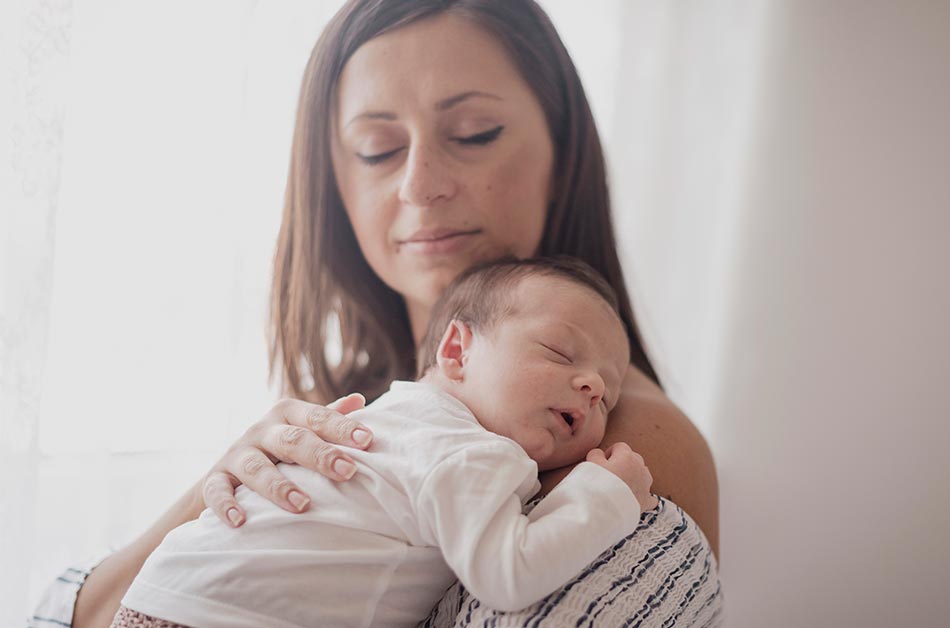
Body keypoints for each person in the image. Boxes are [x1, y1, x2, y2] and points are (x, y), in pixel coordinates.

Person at [34, 1, 721, 626]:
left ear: (562, 153)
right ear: (336, 181)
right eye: (378, 149)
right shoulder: (352, 420)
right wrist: (214, 494)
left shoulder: (621, 443)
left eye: (475, 133)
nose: (420, 185)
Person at [112, 257, 657, 627]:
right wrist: (605, 494)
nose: (592, 388)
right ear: (457, 352)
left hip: (164, 596)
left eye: (607, 399)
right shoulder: (469, 449)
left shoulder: (396, 418)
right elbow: (509, 576)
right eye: (561, 353)